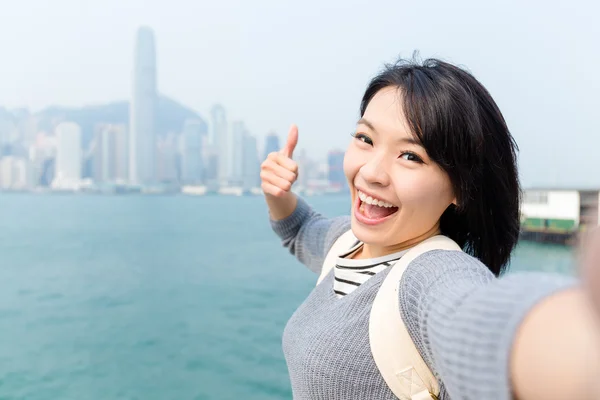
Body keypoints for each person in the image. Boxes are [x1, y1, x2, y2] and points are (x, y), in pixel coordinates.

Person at [260, 56, 600, 400]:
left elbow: (488, 327)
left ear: (460, 190)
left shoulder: (430, 277)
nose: (372, 172)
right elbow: (299, 230)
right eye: (365, 138)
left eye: (411, 156)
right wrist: (278, 193)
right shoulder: (345, 243)